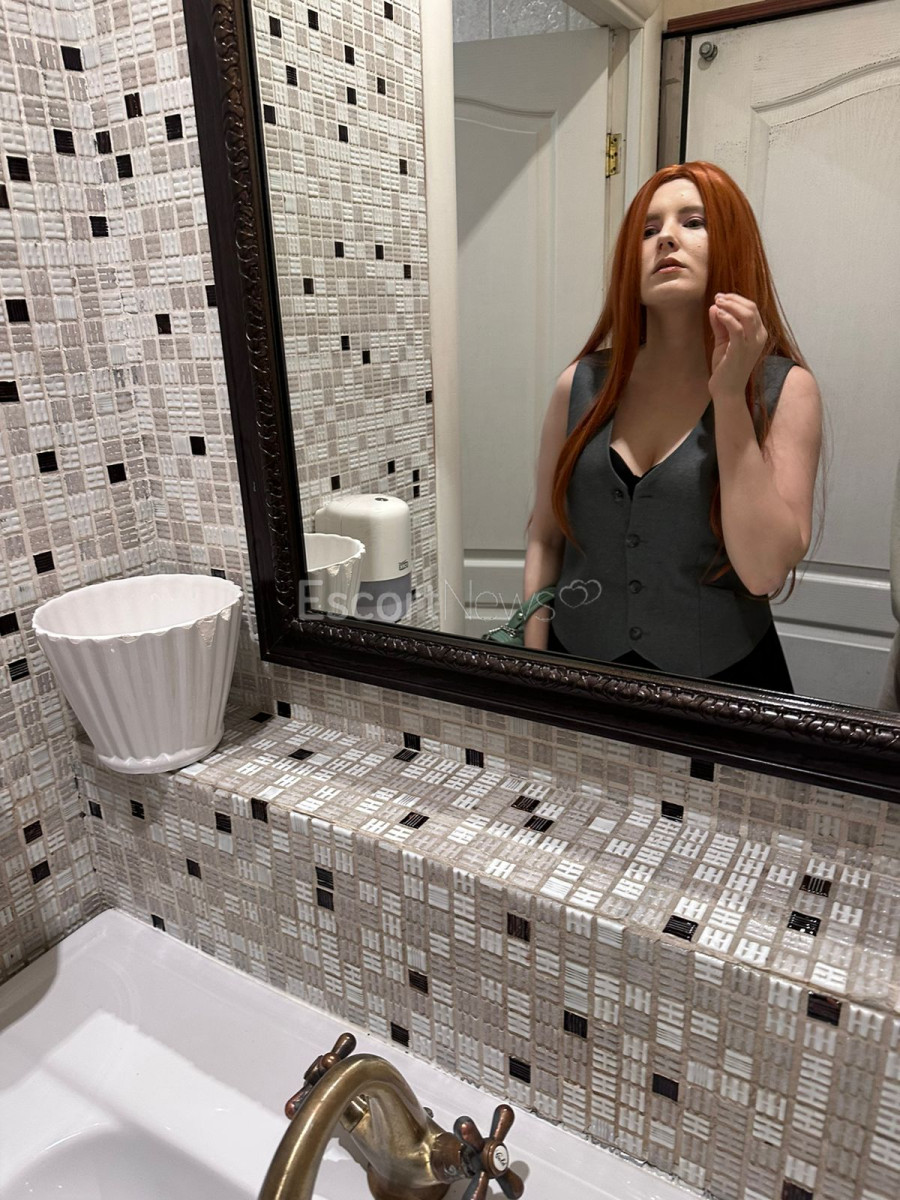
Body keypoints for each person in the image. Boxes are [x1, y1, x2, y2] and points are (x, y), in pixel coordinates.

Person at [523, 162, 823, 691]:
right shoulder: (580, 384)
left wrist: (728, 396)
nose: (665, 238)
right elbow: (546, 540)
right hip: (576, 672)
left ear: (732, 241)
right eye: (647, 229)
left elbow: (763, 572)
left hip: (725, 688)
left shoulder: (785, 390)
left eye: (693, 222)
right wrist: (531, 666)